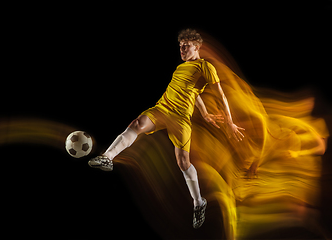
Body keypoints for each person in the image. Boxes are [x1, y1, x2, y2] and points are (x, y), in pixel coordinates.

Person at [88, 29, 245, 229]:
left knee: (182, 162)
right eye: (180, 46)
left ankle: (198, 202)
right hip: (162, 108)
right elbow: (194, 93)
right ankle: (107, 157)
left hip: (180, 118)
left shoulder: (206, 66)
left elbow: (221, 95)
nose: (182, 49)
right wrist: (204, 113)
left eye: (186, 46)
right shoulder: (181, 68)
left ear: (197, 47)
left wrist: (229, 122)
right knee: (136, 124)